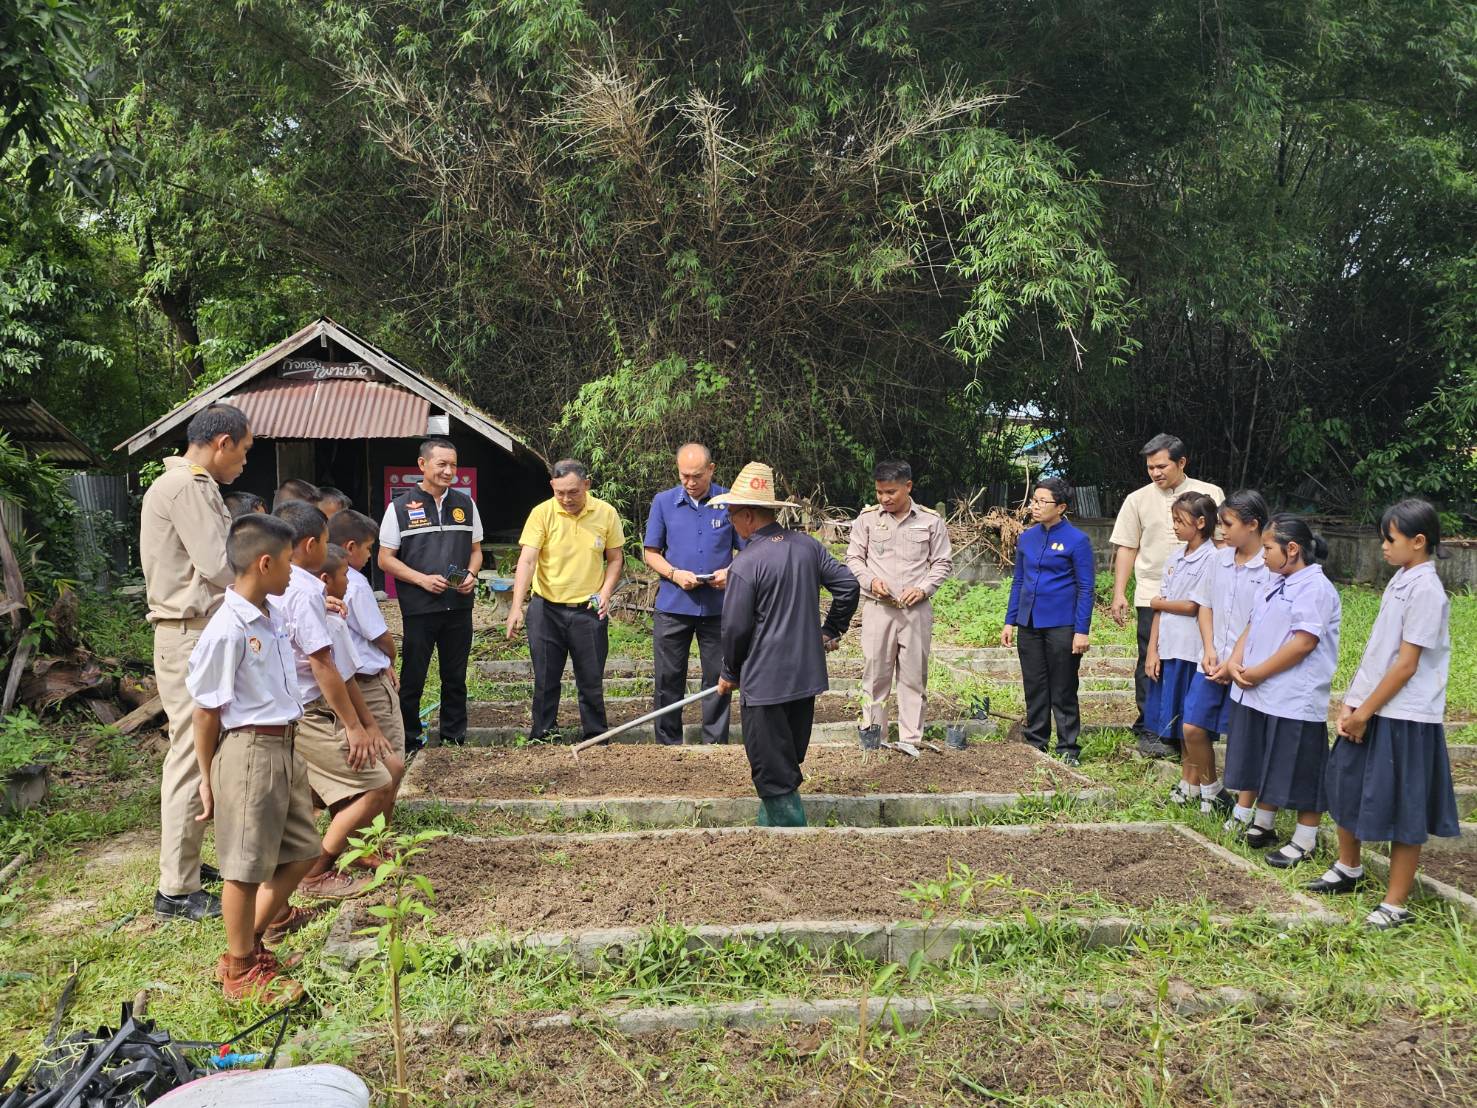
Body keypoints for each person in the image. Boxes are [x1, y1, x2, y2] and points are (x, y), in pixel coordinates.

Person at [186, 513, 317, 1002]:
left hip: (284, 743)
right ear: (264, 563)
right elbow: (205, 711)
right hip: (248, 751)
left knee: (304, 850)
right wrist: (206, 777)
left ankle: (249, 943)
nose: (292, 573)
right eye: (287, 563)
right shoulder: (227, 628)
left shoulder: (271, 614)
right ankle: (239, 970)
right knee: (243, 869)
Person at [1317, 499, 1460, 930]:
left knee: (1404, 805)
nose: (1382, 546)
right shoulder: (1402, 579)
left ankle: (1396, 903)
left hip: (1406, 716)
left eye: (1390, 539)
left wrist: (1367, 711)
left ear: (1418, 542)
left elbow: (1406, 664)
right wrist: (1352, 703)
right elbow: (1379, 652)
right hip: (1374, 705)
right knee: (1344, 777)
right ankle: (1349, 867)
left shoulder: (1427, 591)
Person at [140, 402, 253, 922]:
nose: (245, 464)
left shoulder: (193, 483)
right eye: (245, 452)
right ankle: (176, 889)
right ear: (223, 442)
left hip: (197, 632)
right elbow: (217, 565)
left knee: (204, 751)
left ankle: (185, 864)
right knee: (192, 754)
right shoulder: (188, 485)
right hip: (189, 633)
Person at [713, 462, 860, 826]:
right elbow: (849, 587)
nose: (731, 522)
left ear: (748, 516)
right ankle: (770, 828)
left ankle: (792, 839)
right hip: (803, 677)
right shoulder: (807, 546)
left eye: (732, 515)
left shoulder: (746, 564)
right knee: (785, 757)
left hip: (765, 682)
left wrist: (730, 672)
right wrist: (829, 631)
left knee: (771, 766)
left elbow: (734, 629)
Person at [276, 502, 397, 899]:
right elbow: (324, 664)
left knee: (383, 771)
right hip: (310, 711)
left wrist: (365, 724)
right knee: (377, 781)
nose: (350, 572)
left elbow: (342, 672)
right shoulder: (304, 590)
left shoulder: (291, 589)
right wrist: (355, 726)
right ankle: (317, 870)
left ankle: (355, 850)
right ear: (311, 545)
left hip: (318, 707)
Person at [1223, 515, 1340, 868]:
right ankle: (1264, 824)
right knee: (1264, 757)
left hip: (1293, 695)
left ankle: (1305, 839)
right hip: (1261, 690)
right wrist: (1235, 661)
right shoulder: (1276, 581)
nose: (1263, 556)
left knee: (1302, 767)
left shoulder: (1315, 589)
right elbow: (1252, 624)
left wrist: (1258, 672)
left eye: (1269, 549)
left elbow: (1303, 643)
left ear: (1292, 549)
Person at [1109, 433, 1225, 758]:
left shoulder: (1210, 493)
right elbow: (1127, 546)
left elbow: (1225, 542)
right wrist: (1120, 592)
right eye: (1150, 468)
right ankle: (1152, 727)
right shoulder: (1137, 499)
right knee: (1152, 659)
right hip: (1154, 595)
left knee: (1195, 658)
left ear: (1181, 462)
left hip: (1203, 596)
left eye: (1161, 466)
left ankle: (1191, 726)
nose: (1156, 473)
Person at [507, 460, 625, 741]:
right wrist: (516, 607)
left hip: (589, 609)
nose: (566, 499)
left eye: (572, 492)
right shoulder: (542, 513)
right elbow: (527, 560)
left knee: (591, 678)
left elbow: (615, 559)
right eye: (560, 492)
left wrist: (605, 592)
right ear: (552, 487)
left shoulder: (606, 513)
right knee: (546, 678)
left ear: (587, 484)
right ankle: (543, 733)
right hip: (546, 608)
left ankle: (596, 736)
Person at [378, 439, 483, 751]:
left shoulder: (466, 504)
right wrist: (421, 580)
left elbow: (476, 551)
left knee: (456, 676)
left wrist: (472, 574)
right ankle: (409, 740)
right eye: (442, 464)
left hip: (459, 607)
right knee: (413, 678)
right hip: (419, 609)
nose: (449, 471)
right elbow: (385, 558)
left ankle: (453, 738)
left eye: (453, 465)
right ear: (422, 465)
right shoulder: (399, 508)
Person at [847, 460, 953, 754]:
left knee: (913, 677)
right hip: (878, 609)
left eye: (891, 491)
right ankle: (873, 739)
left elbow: (943, 562)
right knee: (875, 675)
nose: (884, 498)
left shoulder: (930, 521)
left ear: (908, 486)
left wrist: (923, 588)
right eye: (880, 492)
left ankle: (910, 740)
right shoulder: (867, 519)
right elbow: (854, 558)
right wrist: (871, 581)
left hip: (915, 612)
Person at [642, 444, 741, 745]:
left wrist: (731, 572)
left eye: (696, 475)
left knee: (717, 678)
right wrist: (673, 574)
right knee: (668, 677)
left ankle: (715, 743)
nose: (690, 482)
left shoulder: (729, 502)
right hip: (674, 605)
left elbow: (748, 550)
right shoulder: (664, 502)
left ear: (711, 469)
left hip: (718, 607)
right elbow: (651, 552)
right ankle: (668, 742)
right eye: (684, 475)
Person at [1186, 490, 1272, 827]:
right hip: (1210, 661)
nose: (1221, 530)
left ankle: (1246, 807)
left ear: (1252, 525)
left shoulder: (1269, 566)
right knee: (1192, 727)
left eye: (1228, 523)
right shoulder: (1218, 560)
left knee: (1243, 737)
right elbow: (1204, 604)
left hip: (1245, 667)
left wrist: (1231, 661)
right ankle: (1212, 790)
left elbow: (1260, 620)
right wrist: (1209, 649)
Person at [1001, 478, 1093, 765]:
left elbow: (1086, 588)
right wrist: (1010, 620)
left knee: (1063, 685)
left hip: (1061, 624)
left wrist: (1081, 631)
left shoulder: (1077, 540)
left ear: (1061, 507)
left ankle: (1068, 747)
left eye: (1043, 502)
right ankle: (1036, 740)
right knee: (1035, 683)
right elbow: (1018, 582)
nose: (1035, 506)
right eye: (1034, 501)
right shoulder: (1027, 538)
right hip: (1028, 622)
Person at [1145, 491, 1219, 804]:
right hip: (1171, 646)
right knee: (1178, 718)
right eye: (1173, 519)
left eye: (1180, 520)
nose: (1175, 526)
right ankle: (1188, 784)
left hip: (1194, 649)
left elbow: (1193, 605)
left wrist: (1158, 602)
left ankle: (1202, 786)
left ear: (1201, 523)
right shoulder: (1176, 557)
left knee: (1193, 722)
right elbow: (1161, 608)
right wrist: (1152, 648)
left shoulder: (1213, 559)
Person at [330, 510, 406, 769]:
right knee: (389, 757)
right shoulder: (356, 583)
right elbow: (380, 636)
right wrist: (390, 658)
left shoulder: (317, 582)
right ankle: (382, 810)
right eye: (369, 548)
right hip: (368, 683)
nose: (370, 555)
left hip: (345, 683)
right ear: (350, 548)